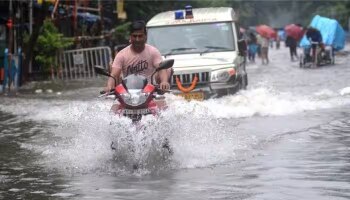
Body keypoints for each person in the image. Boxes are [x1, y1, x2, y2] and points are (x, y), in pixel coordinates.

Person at [105, 20, 171, 92]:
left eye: (140, 36)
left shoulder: (153, 52)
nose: (137, 39)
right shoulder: (121, 54)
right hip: (127, 93)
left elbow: (161, 69)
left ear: (145, 37)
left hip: (149, 92)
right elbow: (114, 74)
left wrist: (164, 81)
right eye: (134, 36)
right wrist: (109, 86)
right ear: (130, 37)